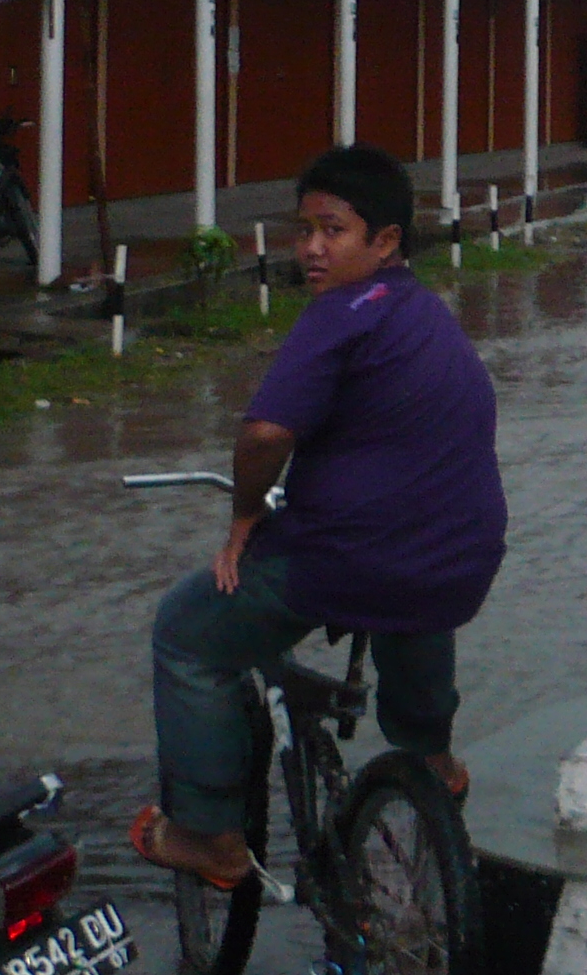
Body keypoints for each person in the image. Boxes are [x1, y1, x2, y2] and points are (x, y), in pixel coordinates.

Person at [135, 145, 506, 890]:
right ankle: (431, 757)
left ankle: (208, 835)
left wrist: (242, 520)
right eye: (304, 229)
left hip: (351, 555)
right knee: (411, 591)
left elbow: (267, 434)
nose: (310, 249)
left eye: (333, 231)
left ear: (386, 241)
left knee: (186, 633)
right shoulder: (422, 312)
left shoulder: (340, 314)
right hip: (463, 554)